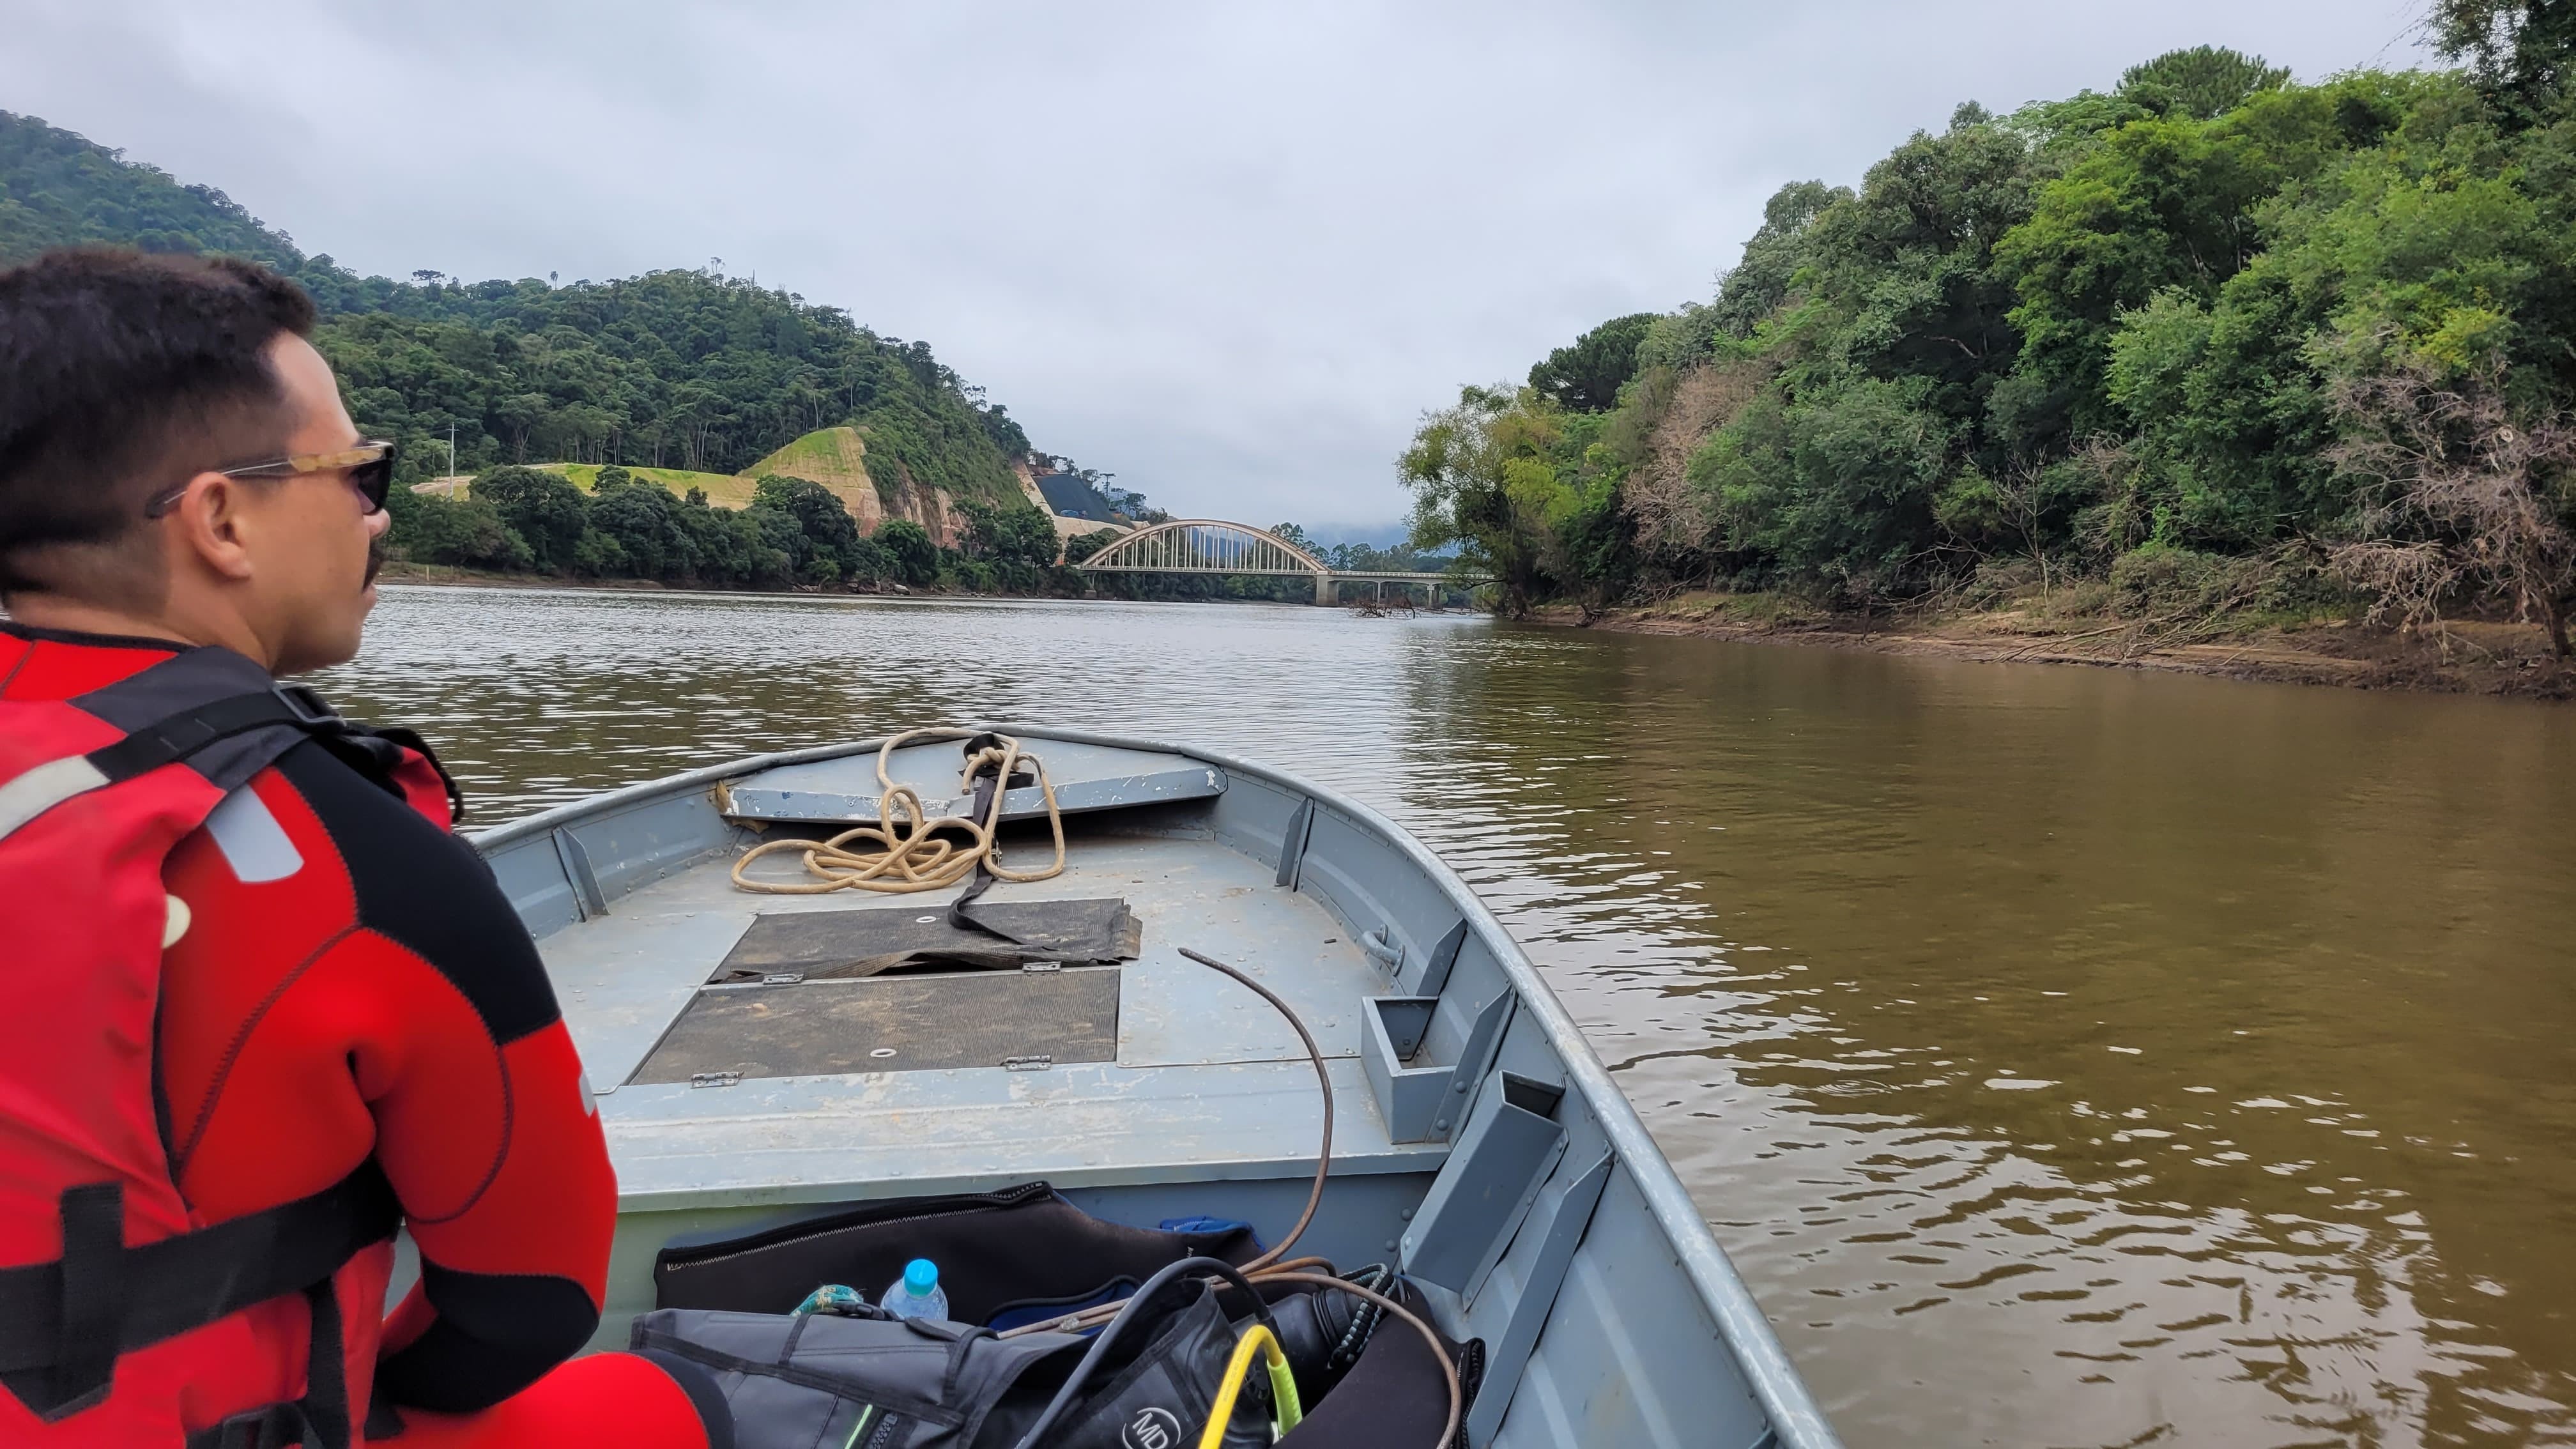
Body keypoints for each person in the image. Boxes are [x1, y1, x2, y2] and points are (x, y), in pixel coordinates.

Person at [0, 248, 728, 1447]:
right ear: (222, 519)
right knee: (670, 1403)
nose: (377, 514)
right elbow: (533, 1302)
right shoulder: (352, 858)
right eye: (359, 472)